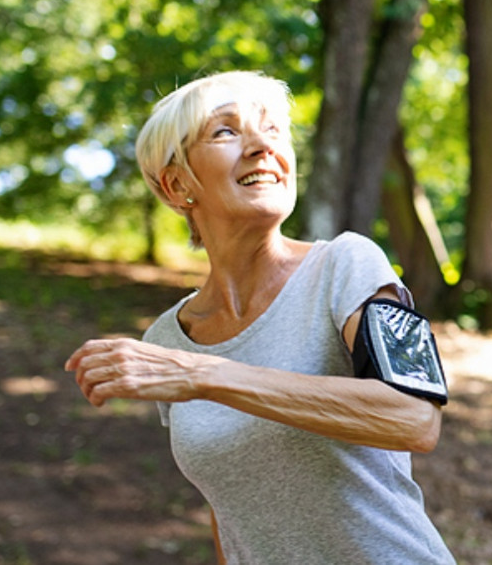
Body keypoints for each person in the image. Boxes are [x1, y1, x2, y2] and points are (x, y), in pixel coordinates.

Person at [64, 71, 455, 564]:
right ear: (177, 182)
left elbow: (415, 416)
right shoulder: (167, 340)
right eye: (226, 131)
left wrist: (203, 375)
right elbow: (228, 505)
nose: (260, 146)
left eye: (272, 130)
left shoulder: (347, 265)